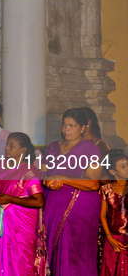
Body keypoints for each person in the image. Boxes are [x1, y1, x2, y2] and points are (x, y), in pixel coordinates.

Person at [42, 108, 102, 276]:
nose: (66, 129)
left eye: (72, 126)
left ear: (83, 127)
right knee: (53, 255)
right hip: (52, 205)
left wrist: (62, 178)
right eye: (64, 125)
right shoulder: (53, 147)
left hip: (79, 211)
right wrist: (48, 179)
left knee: (75, 257)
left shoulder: (91, 149)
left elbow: (93, 182)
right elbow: (42, 171)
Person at [0, 132, 46, 276]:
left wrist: (11, 199)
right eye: (7, 145)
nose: (6, 148)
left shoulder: (28, 172)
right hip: (1, 223)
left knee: (20, 263)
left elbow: (39, 201)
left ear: (23, 150)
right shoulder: (3, 170)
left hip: (20, 228)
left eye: (11, 146)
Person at [99, 149, 128, 276]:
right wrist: (109, 237)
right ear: (113, 172)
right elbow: (102, 216)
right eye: (123, 166)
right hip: (113, 239)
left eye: (127, 165)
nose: (127, 168)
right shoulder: (106, 190)